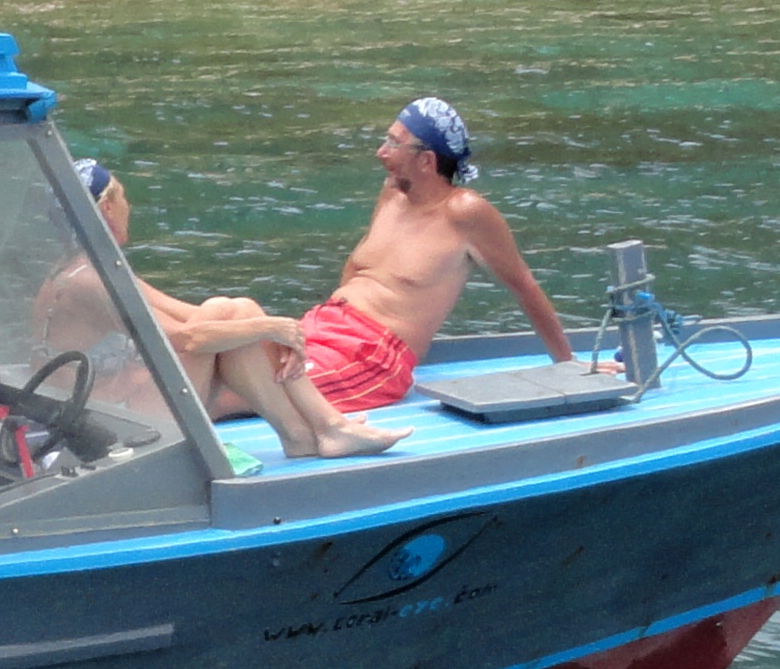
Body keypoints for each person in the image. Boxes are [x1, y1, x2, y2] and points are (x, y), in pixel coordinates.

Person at [54, 158, 394, 460]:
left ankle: (320, 428)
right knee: (225, 317)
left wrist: (267, 325)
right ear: (107, 210)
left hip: (112, 413)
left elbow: (188, 315)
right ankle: (314, 431)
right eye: (124, 196)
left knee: (232, 310)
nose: (130, 206)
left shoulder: (90, 269)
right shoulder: (88, 282)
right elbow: (186, 339)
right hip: (109, 429)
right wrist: (271, 329)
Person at [299, 97, 571, 418]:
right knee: (232, 346)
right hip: (320, 328)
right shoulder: (392, 193)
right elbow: (358, 268)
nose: (381, 152)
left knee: (251, 381)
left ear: (427, 161)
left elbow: (523, 285)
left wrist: (568, 365)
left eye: (393, 143)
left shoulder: (465, 213)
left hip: (371, 356)